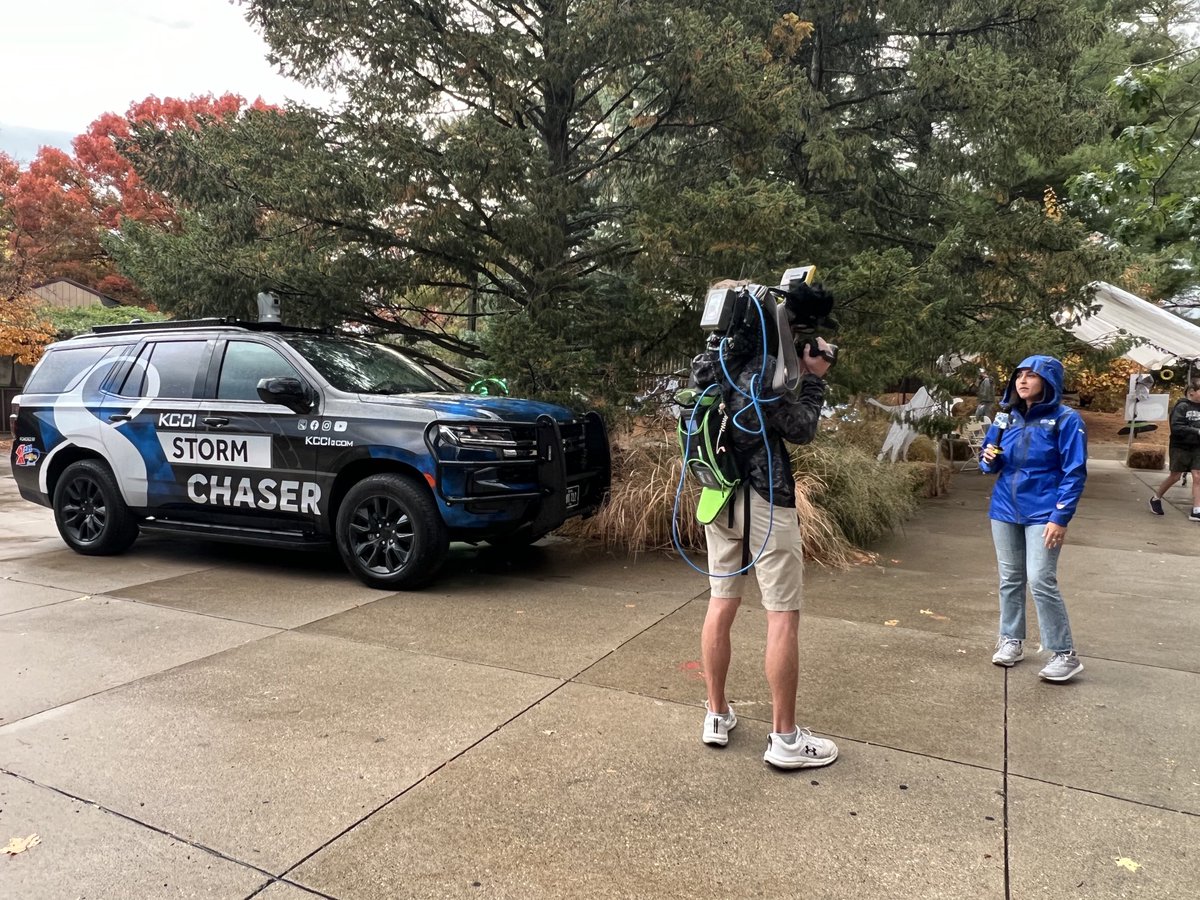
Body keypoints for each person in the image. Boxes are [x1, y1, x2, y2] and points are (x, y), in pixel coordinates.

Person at [689, 292, 838, 770]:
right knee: (782, 616)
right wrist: (814, 381)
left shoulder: (710, 361)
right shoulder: (763, 372)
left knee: (721, 603)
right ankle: (786, 740)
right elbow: (800, 428)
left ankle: (716, 714)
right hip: (764, 500)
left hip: (717, 494)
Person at [980, 355, 1088, 682]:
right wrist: (988, 459)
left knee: (1040, 578)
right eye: (1019, 376)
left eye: (1031, 376)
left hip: (1044, 510)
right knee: (1010, 578)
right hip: (1004, 508)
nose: (1022, 381)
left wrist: (1061, 516)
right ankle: (1011, 639)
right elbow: (990, 462)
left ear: (1048, 381)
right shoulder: (1005, 418)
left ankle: (1065, 654)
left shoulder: (1067, 420)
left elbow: (1075, 471)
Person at [1148, 380, 1200, 520]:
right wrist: (1196, 431)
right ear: (1192, 392)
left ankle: (1197, 509)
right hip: (1180, 446)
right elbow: (1176, 427)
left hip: (1197, 447)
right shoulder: (1182, 406)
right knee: (1175, 476)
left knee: (1197, 475)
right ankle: (1156, 498)